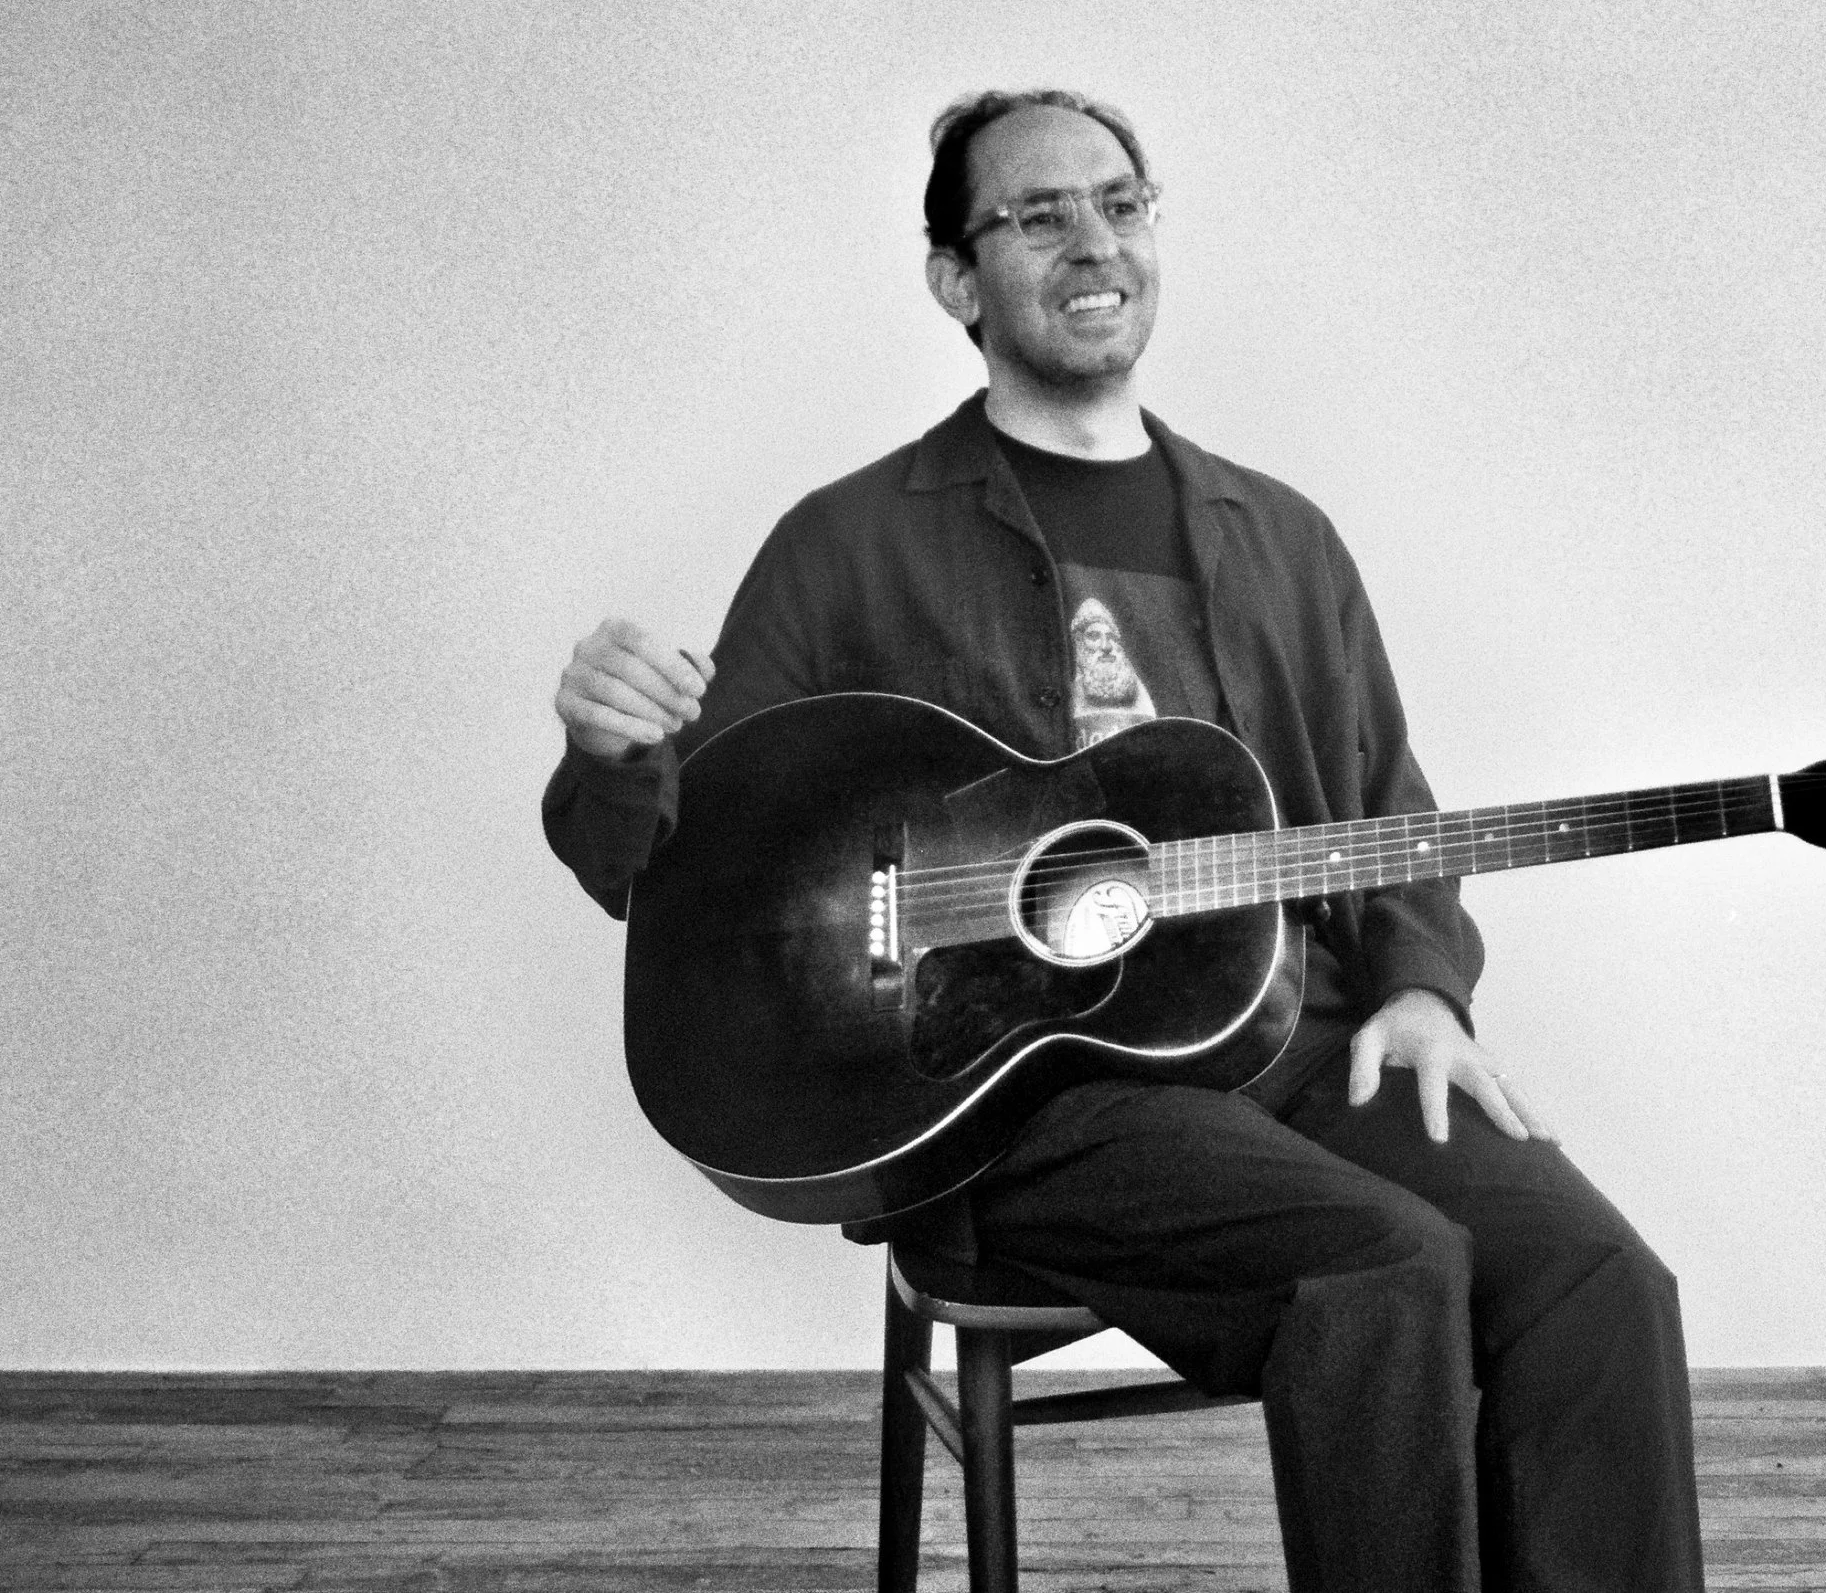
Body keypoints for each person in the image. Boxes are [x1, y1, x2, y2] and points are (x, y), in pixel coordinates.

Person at [543, 88, 1705, 1592]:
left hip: (1297, 1039)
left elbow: (1386, 798)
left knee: (1598, 1278)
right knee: (1384, 1262)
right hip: (1023, 1095)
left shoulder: (1280, 534)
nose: (1093, 241)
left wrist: (1422, 983)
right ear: (958, 280)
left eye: (1122, 203)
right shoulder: (852, 541)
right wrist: (612, 754)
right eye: (1037, 215)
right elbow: (681, 866)